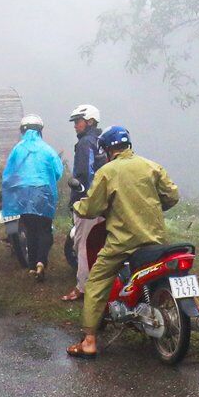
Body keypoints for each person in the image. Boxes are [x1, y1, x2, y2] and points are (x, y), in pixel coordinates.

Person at [66, 125, 179, 359]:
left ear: (108, 150)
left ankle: (88, 340)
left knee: (96, 281)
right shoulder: (151, 166)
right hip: (154, 238)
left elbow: (92, 208)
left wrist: (77, 205)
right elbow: (172, 196)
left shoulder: (107, 172)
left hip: (122, 242)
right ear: (128, 145)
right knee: (169, 276)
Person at [1, 113, 65, 279]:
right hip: (43, 192)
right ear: (40, 130)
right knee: (44, 228)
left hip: (22, 193)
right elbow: (57, 172)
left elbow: (9, 173)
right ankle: (41, 262)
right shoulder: (47, 149)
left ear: (23, 130)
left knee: (30, 228)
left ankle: (31, 265)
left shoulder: (17, 149)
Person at [63, 104, 103, 303]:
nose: (75, 126)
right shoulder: (102, 142)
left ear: (89, 121)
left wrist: (82, 197)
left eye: (78, 122)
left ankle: (82, 288)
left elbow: (84, 174)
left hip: (86, 203)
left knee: (82, 244)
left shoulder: (85, 143)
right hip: (105, 201)